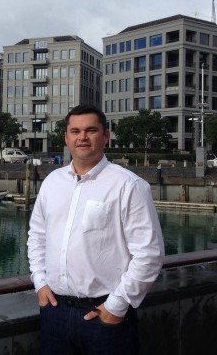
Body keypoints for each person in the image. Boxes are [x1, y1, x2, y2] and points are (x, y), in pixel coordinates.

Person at [27, 104, 164, 355]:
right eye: (75, 131)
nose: (82, 137)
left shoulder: (128, 185)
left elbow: (150, 254)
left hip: (105, 315)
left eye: (91, 130)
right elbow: (37, 235)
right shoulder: (52, 182)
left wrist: (116, 305)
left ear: (106, 135)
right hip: (54, 312)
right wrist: (40, 281)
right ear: (66, 137)